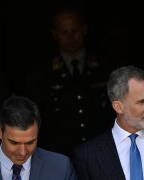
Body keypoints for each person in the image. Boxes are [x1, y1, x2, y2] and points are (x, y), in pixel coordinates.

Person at [25, 4, 113, 157]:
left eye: (75, 30)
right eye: (64, 32)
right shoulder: (42, 74)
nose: (71, 37)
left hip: (102, 152)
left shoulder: (105, 68)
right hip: (60, 154)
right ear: (54, 34)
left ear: (84, 29)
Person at [0, 95, 77, 179]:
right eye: (14, 143)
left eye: (30, 142)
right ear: (0, 131)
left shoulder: (61, 167)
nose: (22, 152)